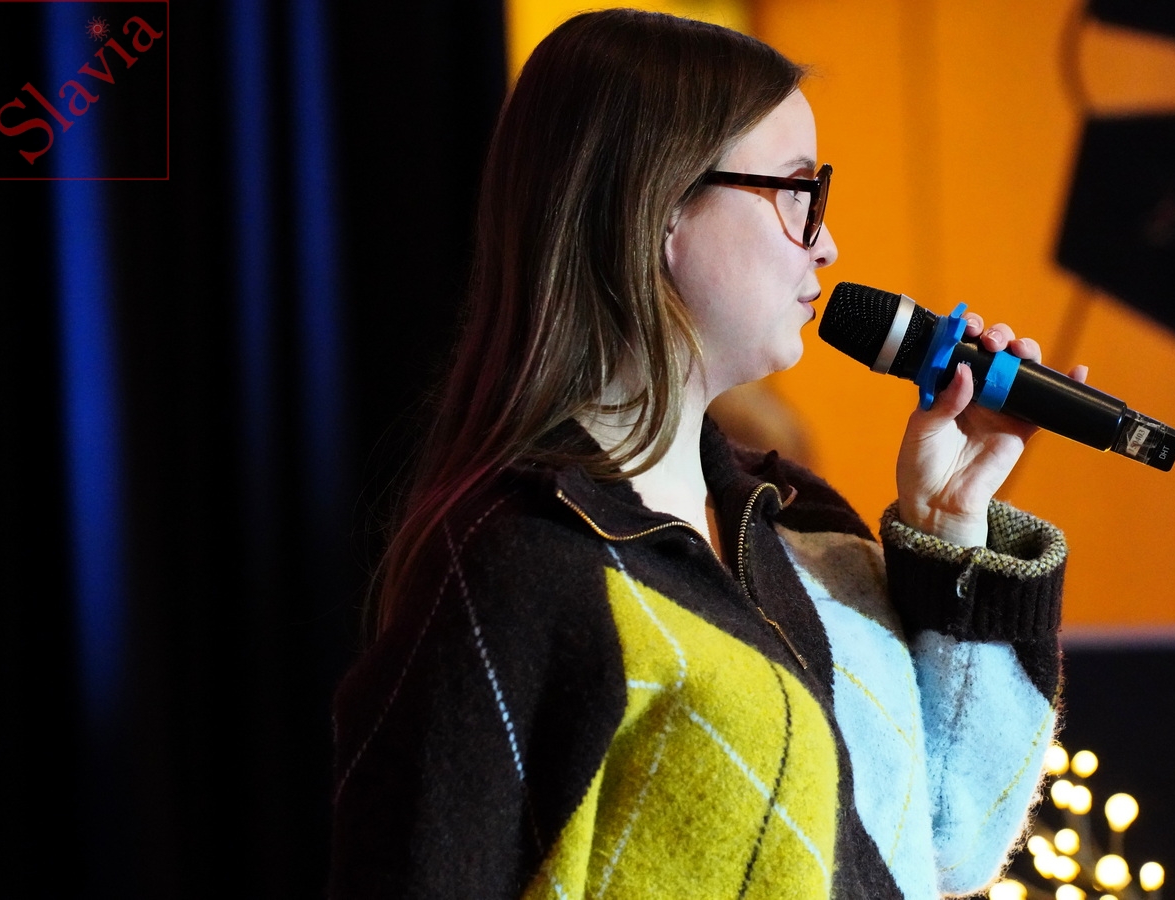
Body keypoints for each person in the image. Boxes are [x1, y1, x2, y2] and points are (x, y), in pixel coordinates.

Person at [330, 10, 1082, 899]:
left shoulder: (803, 527)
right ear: (655, 207)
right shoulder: (523, 563)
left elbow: (955, 838)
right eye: (796, 193)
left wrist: (950, 524)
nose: (826, 243)